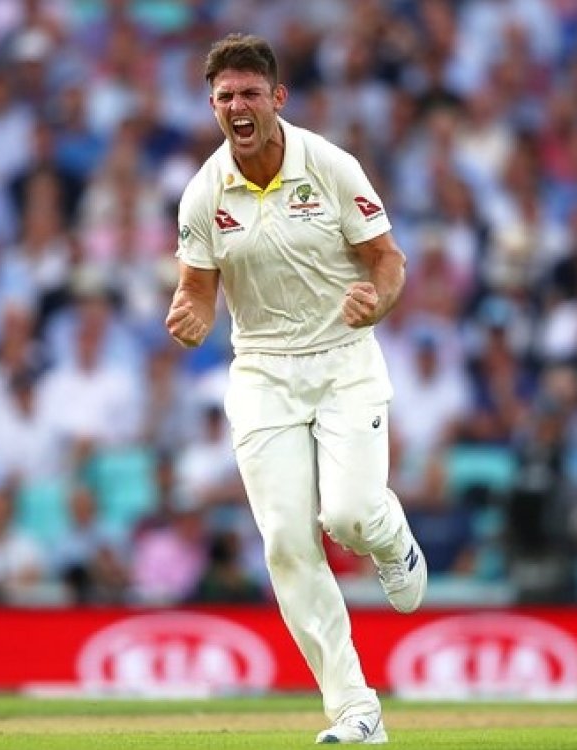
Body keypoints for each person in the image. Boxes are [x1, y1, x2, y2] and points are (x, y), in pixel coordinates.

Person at [165, 33, 427, 745]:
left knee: (344, 517)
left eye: (250, 93)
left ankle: (388, 535)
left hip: (344, 361)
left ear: (278, 98)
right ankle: (354, 710)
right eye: (225, 97)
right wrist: (191, 316)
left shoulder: (331, 165)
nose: (237, 106)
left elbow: (388, 260)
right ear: (212, 106)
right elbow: (196, 290)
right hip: (261, 372)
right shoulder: (202, 193)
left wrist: (377, 298)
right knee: (284, 541)